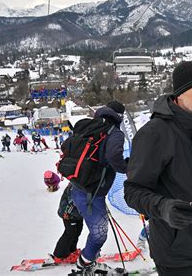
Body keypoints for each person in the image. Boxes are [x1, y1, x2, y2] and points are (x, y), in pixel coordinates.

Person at [124, 61, 192, 276]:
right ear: (180, 94)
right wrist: (164, 207)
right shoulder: (155, 133)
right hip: (174, 250)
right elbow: (133, 191)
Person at [71, 100, 128, 273]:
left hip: (78, 187)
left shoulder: (90, 126)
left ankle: (90, 261)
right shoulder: (114, 133)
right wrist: (129, 168)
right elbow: (113, 156)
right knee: (99, 234)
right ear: (120, 116)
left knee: (97, 230)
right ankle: (84, 265)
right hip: (91, 193)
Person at [46, 183, 84, 264]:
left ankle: (72, 250)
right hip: (68, 214)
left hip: (78, 214)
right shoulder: (74, 186)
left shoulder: (86, 184)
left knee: (78, 231)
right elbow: (73, 201)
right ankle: (59, 255)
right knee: (70, 233)